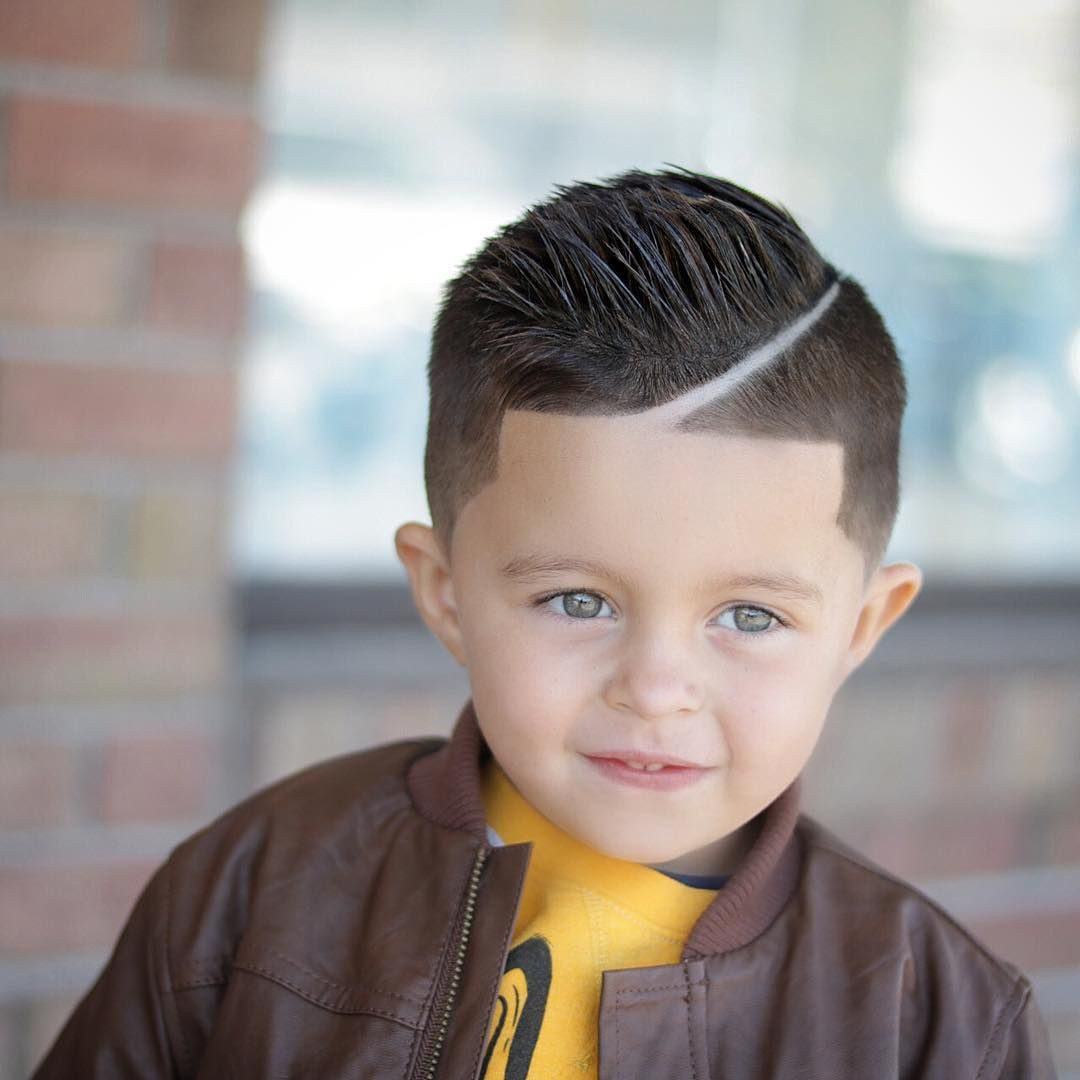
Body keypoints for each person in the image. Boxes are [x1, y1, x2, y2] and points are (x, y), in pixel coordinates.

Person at [33, 168, 1056, 1079]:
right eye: (579, 601)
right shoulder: (252, 892)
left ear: (862, 627)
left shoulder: (938, 1027)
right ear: (445, 593)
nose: (656, 687)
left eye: (749, 615)